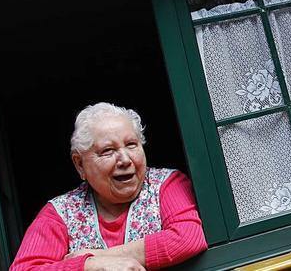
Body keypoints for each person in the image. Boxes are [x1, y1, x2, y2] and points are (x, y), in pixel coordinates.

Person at [11, 103, 208, 271]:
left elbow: (188, 237)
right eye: (108, 150)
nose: (125, 159)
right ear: (80, 164)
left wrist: (103, 257)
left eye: (131, 144)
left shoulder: (167, 184)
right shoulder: (60, 213)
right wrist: (89, 266)